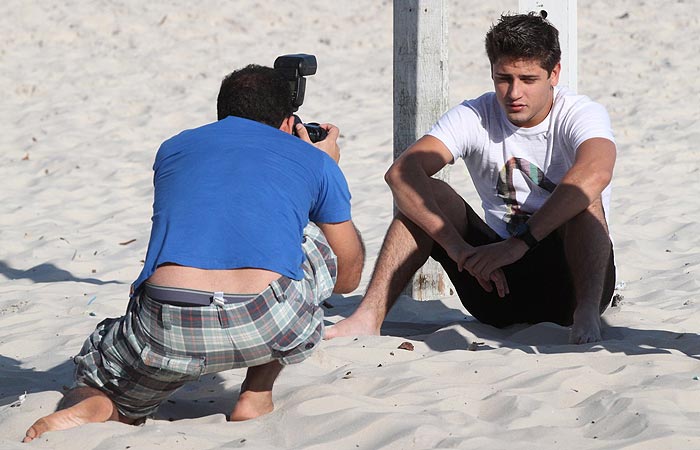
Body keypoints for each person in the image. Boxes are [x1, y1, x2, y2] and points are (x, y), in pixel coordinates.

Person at [24, 64, 364, 442]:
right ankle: (255, 394)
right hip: (267, 321)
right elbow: (348, 279)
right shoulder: (314, 159)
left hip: (165, 322)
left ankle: (100, 404)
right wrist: (328, 167)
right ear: (288, 123)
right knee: (306, 236)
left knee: (96, 374)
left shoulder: (173, 148)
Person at [326, 12, 616, 345]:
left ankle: (588, 315)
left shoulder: (579, 112)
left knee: (583, 192)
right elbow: (401, 173)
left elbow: (597, 170)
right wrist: (457, 247)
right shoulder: (476, 114)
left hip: (573, 287)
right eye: (503, 78)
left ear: (554, 73)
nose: (513, 92)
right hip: (495, 284)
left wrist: (519, 244)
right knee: (428, 192)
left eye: (528, 79)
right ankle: (368, 317)